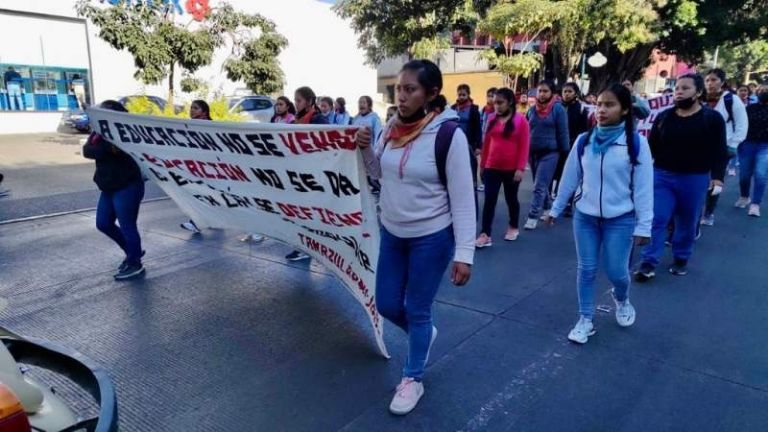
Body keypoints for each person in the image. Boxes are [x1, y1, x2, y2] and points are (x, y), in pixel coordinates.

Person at [357, 59, 474, 416]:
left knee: (417, 310)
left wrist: (465, 253)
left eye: (411, 89)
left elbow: (464, 197)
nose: (402, 96)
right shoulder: (390, 128)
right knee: (388, 304)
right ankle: (423, 338)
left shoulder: (448, 134)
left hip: (431, 237)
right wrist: (364, 148)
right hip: (392, 232)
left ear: (431, 94)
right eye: (399, 89)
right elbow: (378, 174)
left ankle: (413, 378)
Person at [546, 83, 653, 344]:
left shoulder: (636, 144)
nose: (602, 110)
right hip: (586, 216)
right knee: (587, 269)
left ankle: (622, 297)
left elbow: (643, 188)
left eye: (610, 105)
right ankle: (585, 319)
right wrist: (556, 209)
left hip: (621, 218)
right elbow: (570, 176)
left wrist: (644, 226)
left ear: (625, 110)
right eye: (599, 104)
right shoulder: (584, 141)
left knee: (617, 272)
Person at [635, 73, 728, 281]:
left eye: (685, 88)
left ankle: (681, 257)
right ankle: (648, 262)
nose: (679, 92)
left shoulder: (712, 119)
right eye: (677, 88)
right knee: (657, 218)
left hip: (694, 179)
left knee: (686, 221)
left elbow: (719, 151)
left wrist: (717, 177)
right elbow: (651, 149)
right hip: (662, 177)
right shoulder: (664, 117)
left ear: (698, 92)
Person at [83, 100, 146, 280]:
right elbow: (87, 150)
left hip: (127, 186)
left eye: (103, 112)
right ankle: (132, 252)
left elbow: (98, 151)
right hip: (109, 187)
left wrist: (100, 148)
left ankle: (135, 264)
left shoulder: (122, 132)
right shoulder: (98, 132)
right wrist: (99, 147)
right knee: (103, 223)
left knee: (128, 227)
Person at [475, 88, 530, 247]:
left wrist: (520, 168)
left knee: (511, 199)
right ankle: (485, 234)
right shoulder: (491, 118)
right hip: (492, 167)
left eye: (500, 103)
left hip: (511, 169)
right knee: (489, 200)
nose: (496, 106)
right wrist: (483, 165)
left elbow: (524, 146)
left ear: (510, 102)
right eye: (495, 103)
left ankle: (513, 226)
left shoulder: (521, 121)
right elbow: (486, 144)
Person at [285, 86, 329, 262]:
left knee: (310, 214)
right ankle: (303, 247)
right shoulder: (295, 122)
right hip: (298, 174)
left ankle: (308, 248)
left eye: (299, 100)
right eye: (295, 100)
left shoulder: (319, 120)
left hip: (314, 174)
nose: (295, 104)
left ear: (310, 102)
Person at [700, 69, 748, 225]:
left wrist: (733, 144)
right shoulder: (700, 98)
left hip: (723, 146)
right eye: (707, 80)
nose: (710, 83)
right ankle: (696, 209)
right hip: (699, 147)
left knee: (716, 180)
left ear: (722, 82)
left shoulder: (731, 100)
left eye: (713, 80)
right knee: (698, 178)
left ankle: (708, 213)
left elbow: (742, 123)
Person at [524, 80, 570, 230]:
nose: (542, 94)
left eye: (545, 91)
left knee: (539, 185)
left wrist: (565, 152)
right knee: (540, 185)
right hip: (533, 152)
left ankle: (532, 216)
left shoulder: (558, 109)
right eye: (540, 91)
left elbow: (563, 132)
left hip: (551, 153)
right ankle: (548, 207)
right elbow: (526, 130)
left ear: (552, 93)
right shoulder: (531, 110)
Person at [554, 82, 590, 217]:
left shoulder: (581, 109)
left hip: (572, 146)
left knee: (569, 174)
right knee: (556, 175)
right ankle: (556, 200)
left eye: (570, 91)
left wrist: (576, 143)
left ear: (575, 93)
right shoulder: (557, 108)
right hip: (557, 146)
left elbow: (584, 130)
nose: (567, 94)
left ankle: (568, 203)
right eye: (565, 91)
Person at [735, 84, 768, 217]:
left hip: (765, 146)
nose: (764, 94)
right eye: (762, 91)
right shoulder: (749, 108)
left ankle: (755, 204)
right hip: (747, 144)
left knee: (760, 175)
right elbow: (741, 124)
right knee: (744, 175)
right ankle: (744, 196)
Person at [451, 84, 483, 193]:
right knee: (456, 169)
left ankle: (472, 190)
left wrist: (479, 146)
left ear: (468, 95)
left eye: (463, 95)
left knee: (470, 169)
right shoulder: (453, 108)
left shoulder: (474, 110)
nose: (461, 97)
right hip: (455, 144)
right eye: (459, 94)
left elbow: (478, 128)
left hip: (469, 144)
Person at [352, 95, 384, 194]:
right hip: (357, 153)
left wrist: (375, 150)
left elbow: (378, 134)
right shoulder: (355, 119)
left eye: (363, 102)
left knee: (372, 177)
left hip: (370, 153)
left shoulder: (374, 118)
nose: (361, 105)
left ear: (369, 105)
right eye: (359, 102)